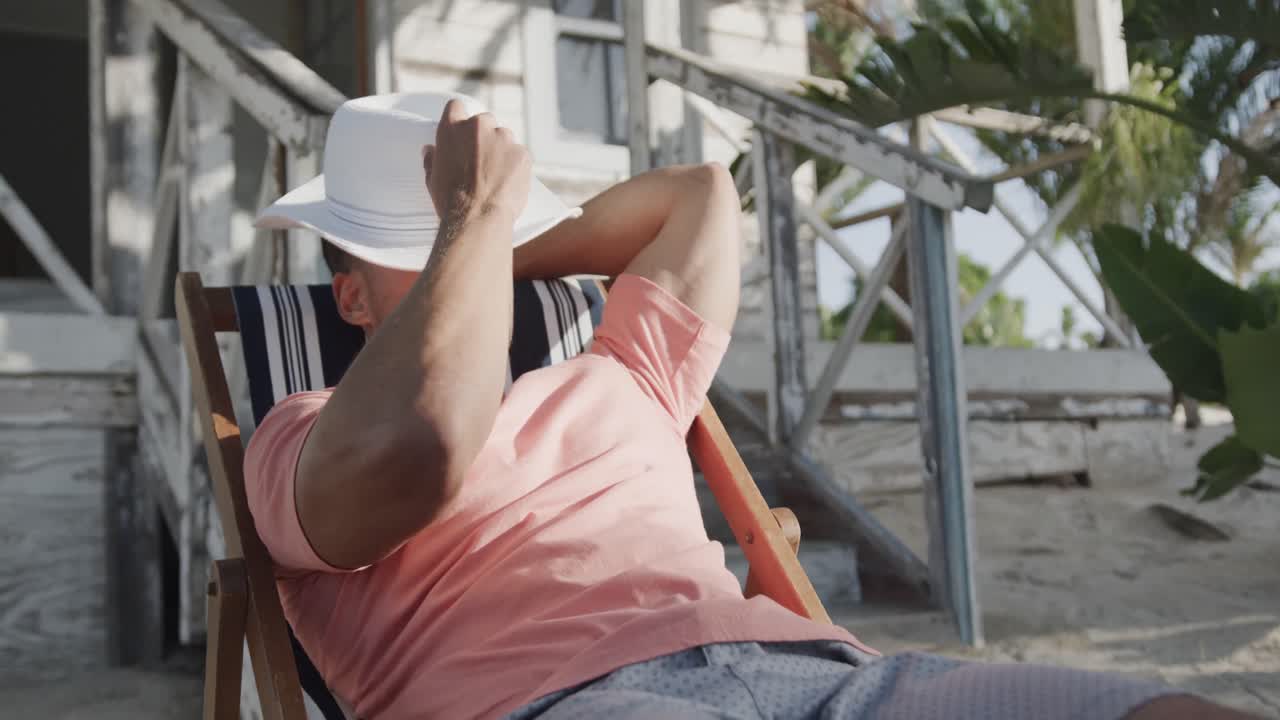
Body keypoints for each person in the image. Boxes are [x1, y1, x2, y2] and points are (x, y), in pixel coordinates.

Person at [246, 92, 1258, 720]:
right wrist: (464, 227)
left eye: (459, 238)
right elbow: (421, 447)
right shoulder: (301, 432)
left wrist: (493, 242)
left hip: (818, 676)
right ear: (347, 296)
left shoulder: (620, 376)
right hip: (562, 704)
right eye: (409, 247)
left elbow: (696, 196)